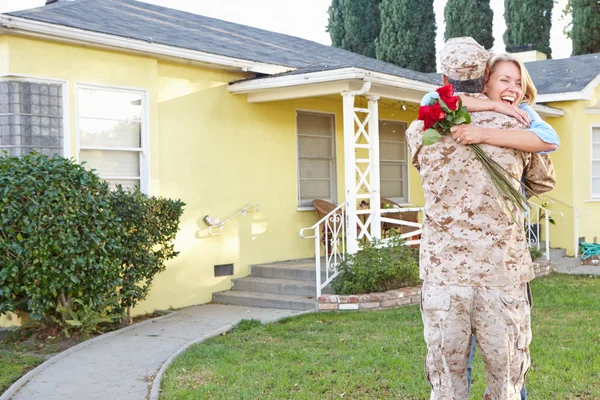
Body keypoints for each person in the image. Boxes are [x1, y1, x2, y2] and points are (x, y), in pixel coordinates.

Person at [407, 37, 556, 399]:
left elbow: (432, 110)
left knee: (447, 382)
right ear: (486, 76)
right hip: (501, 274)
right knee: (506, 381)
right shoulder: (520, 130)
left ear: (445, 76)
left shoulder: (421, 131)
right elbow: (542, 182)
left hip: (446, 277)